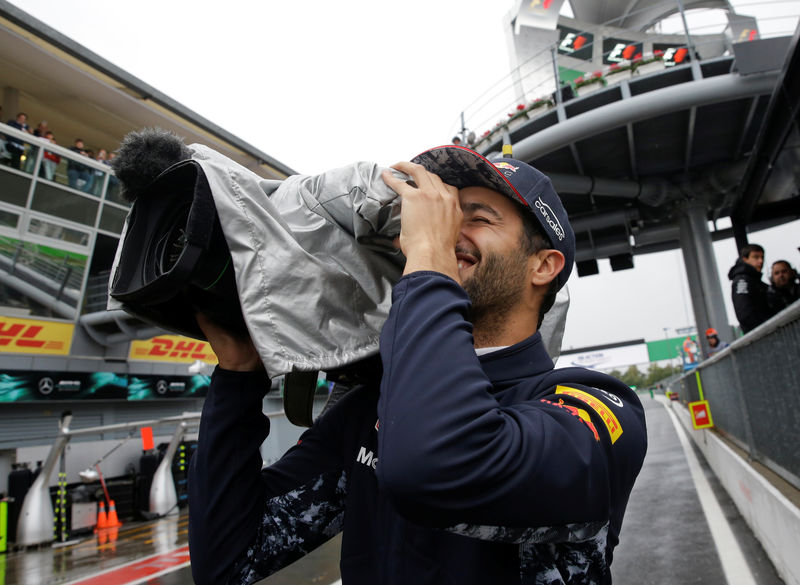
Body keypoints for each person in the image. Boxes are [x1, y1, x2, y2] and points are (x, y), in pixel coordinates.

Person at [187, 146, 647, 585]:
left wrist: (430, 256)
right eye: (445, 217)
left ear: (543, 266)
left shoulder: (593, 409)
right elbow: (230, 558)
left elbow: (440, 469)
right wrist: (239, 374)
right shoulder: (370, 409)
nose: (446, 231)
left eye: (479, 219)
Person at [728, 243, 772, 333]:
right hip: (763, 334)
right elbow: (744, 313)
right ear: (745, 259)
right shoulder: (742, 281)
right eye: (756, 257)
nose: (760, 261)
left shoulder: (754, 281)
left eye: (762, 257)